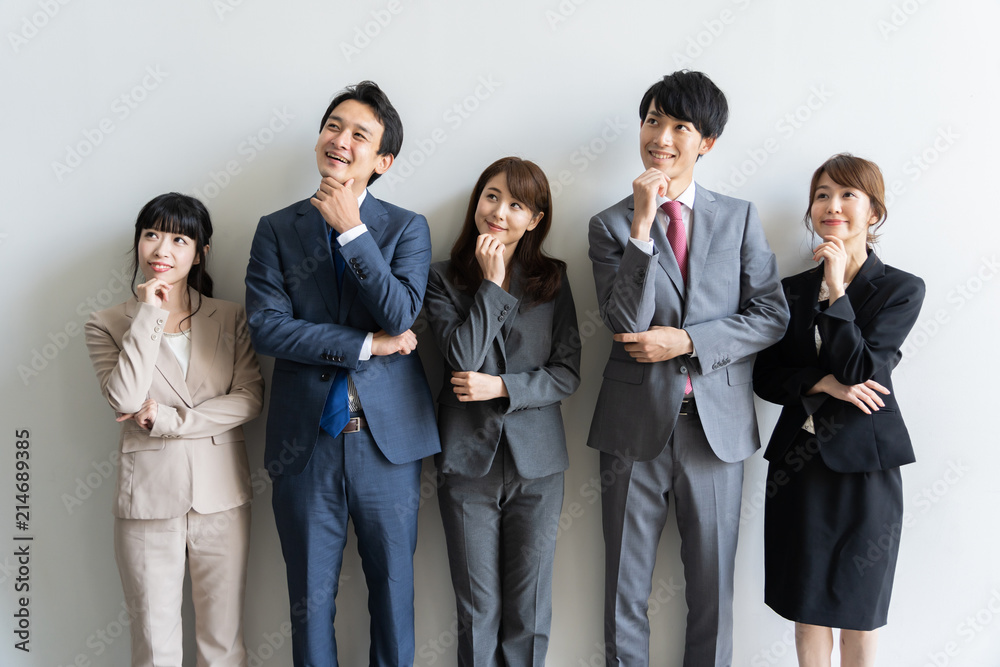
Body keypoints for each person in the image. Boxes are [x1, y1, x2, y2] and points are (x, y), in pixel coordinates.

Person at [587, 70, 789, 667]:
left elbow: (771, 315)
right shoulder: (609, 224)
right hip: (632, 428)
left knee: (712, 591)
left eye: (681, 126)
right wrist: (644, 225)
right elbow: (625, 321)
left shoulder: (739, 217)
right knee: (624, 588)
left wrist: (688, 341)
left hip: (715, 432)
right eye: (653, 120)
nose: (662, 137)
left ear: (708, 143)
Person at [244, 80, 440, 667]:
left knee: (394, 595)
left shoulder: (406, 228)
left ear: (383, 161)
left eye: (360, 134)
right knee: (308, 601)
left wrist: (353, 231)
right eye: (334, 126)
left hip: (388, 446)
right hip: (306, 445)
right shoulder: (276, 229)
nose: (341, 140)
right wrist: (367, 346)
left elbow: (402, 312)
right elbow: (268, 329)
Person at [752, 153, 925, 666]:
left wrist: (837, 288)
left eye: (849, 194)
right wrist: (821, 381)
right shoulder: (787, 292)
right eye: (823, 194)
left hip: (865, 471)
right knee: (808, 609)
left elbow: (862, 370)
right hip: (798, 467)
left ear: (874, 213)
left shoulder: (901, 289)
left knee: (858, 611)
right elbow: (766, 378)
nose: (833, 205)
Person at [84, 193, 263, 666]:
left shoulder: (230, 317)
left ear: (200, 251)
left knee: (222, 645)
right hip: (147, 502)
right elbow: (124, 399)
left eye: (179, 238)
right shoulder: (105, 323)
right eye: (151, 235)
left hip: (220, 497)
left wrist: (167, 420)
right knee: (154, 643)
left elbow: (248, 399)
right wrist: (149, 314)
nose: (161, 249)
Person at [424, 157, 581, 666]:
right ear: (477, 202)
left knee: (529, 609)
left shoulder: (553, 280)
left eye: (517, 204)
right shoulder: (441, 279)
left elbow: (566, 372)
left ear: (535, 220)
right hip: (468, 463)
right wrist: (491, 283)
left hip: (538, 465)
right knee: (477, 608)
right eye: (492, 197)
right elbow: (461, 358)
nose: (500, 212)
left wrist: (501, 386)